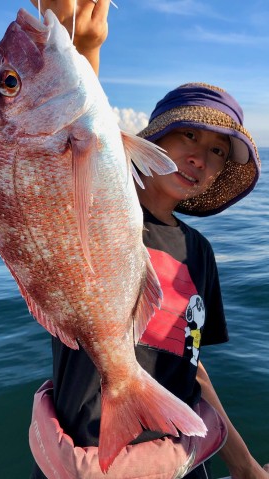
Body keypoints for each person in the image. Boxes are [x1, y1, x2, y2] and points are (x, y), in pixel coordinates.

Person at [29, 1, 268, 478]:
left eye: (217, 151)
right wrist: (83, 46)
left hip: (178, 461)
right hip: (90, 460)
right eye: (188, 138)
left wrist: (242, 466)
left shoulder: (198, 251)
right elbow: (77, 140)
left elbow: (191, 364)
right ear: (154, 138)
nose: (201, 157)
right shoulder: (108, 213)